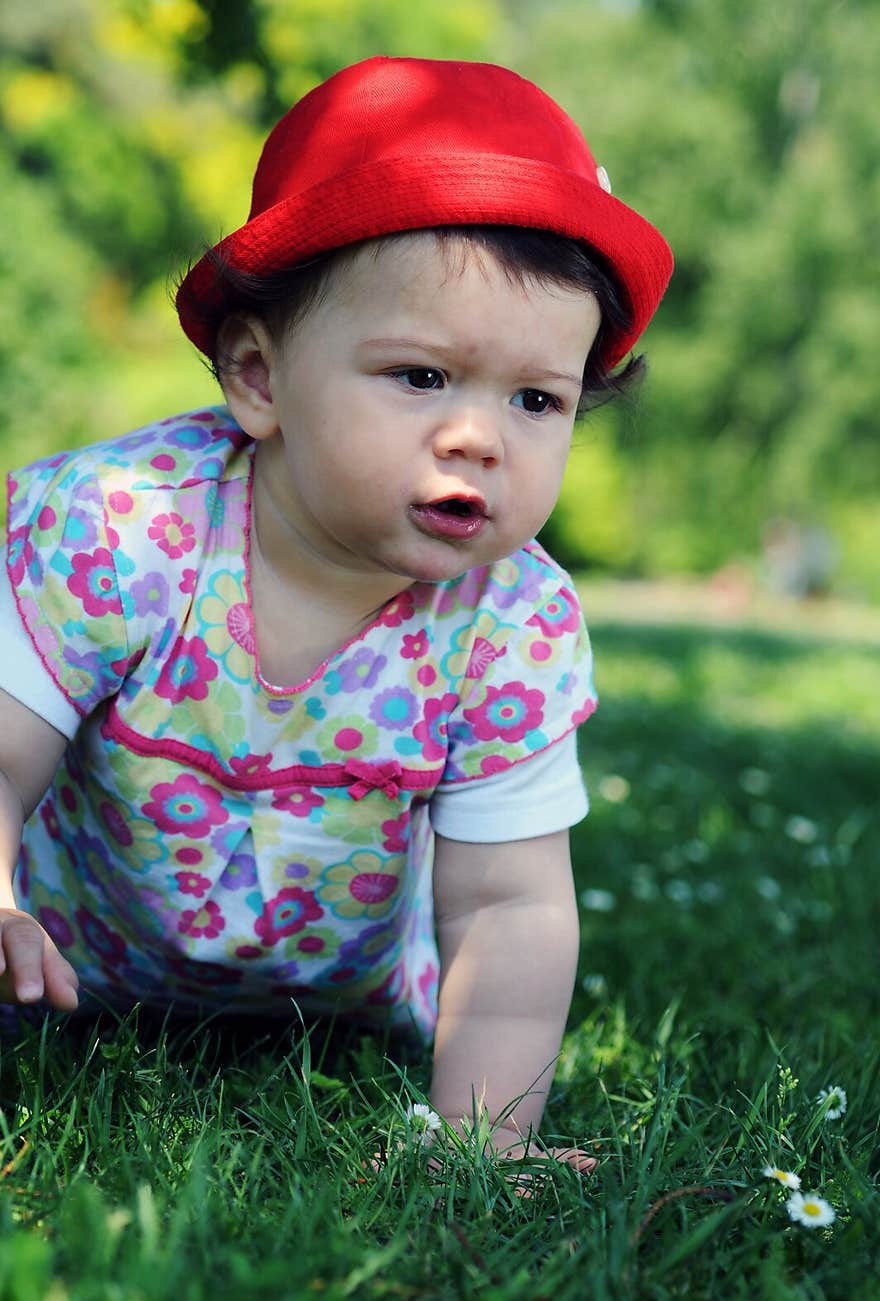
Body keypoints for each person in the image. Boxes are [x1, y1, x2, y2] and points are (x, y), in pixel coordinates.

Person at [0, 56, 672, 1176]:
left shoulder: (509, 627)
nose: (477, 436)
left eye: (536, 399)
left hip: (342, 1004)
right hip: (68, 967)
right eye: (420, 376)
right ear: (258, 378)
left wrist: (483, 1138)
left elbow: (508, 906)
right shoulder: (122, 529)